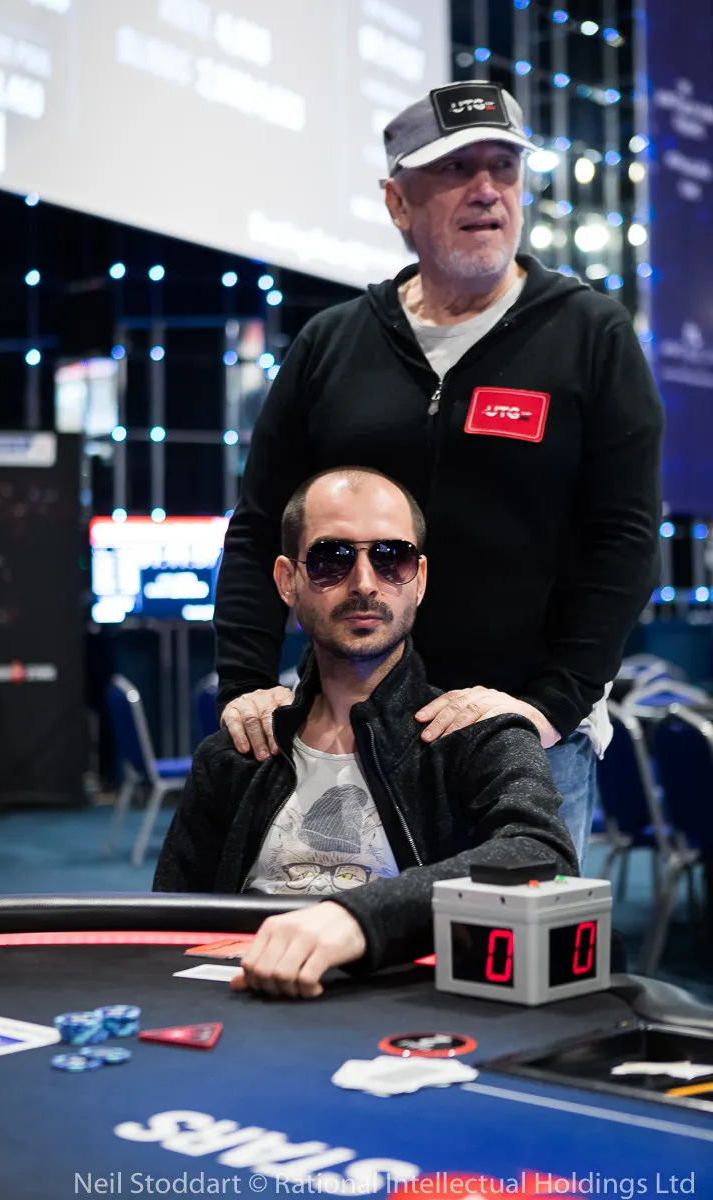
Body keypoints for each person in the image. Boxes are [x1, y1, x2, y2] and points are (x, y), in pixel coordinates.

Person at [214, 81, 664, 871]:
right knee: (340, 936)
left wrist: (547, 707)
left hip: (521, 742)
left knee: (507, 947)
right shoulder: (332, 344)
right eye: (456, 169)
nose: (487, 189)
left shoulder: (590, 335)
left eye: (504, 167)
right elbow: (260, 528)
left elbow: (625, 542)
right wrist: (244, 683)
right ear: (397, 202)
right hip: (348, 733)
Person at [155, 468, 577, 998]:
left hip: (410, 1012)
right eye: (331, 558)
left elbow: (542, 855)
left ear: (419, 579)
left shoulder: (477, 735)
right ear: (287, 580)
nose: (364, 583)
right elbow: (164, 930)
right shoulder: (237, 753)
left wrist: (358, 917)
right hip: (247, 1001)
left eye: (391, 557)